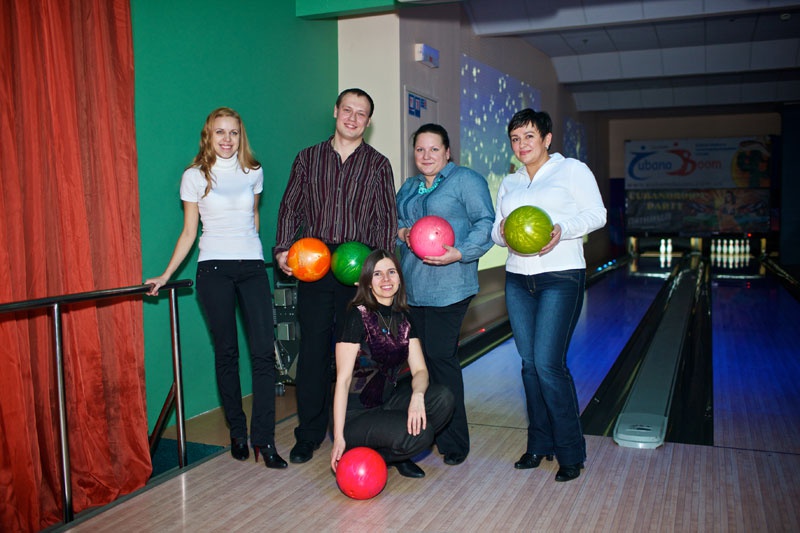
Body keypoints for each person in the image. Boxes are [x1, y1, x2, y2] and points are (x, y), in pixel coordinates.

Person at [145, 107, 287, 469]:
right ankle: (237, 432)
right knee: (226, 353)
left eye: (233, 132)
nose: (227, 139)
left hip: (252, 267)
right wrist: (165, 275)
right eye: (219, 132)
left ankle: (264, 440)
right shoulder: (194, 176)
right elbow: (189, 232)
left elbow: (253, 216)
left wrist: (250, 247)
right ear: (208, 135)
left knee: (262, 353)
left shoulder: (254, 171)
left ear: (241, 136)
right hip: (213, 269)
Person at [275, 88, 397, 464]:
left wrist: (378, 271)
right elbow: (290, 207)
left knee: (359, 355)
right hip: (314, 266)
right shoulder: (307, 157)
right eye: (348, 110)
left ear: (368, 122)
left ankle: (355, 432)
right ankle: (309, 434)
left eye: (361, 113)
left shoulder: (378, 164)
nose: (353, 118)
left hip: (357, 269)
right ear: (335, 111)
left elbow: (385, 218)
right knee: (313, 352)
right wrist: (282, 249)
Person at [492, 109, 606, 482]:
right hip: (518, 279)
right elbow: (496, 229)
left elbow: (597, 214)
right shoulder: (510, 182)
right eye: (515, 138)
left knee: (547, 364)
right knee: (529, 365)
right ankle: (539, 444)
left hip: (560, 276)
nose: (521, 144)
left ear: (546, 138)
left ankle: (571, 451)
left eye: (529, 136)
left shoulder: (571, 170)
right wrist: (502, 233)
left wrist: (562, 228)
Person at [395, 123, 495, 466]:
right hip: (413, 287)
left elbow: (486, 223)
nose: (426, 156)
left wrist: (461, 253)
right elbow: (394, 226)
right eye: (420, 149)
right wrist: (402, 232)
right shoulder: (409, 187)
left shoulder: (466, 180)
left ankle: (454, 440)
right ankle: (425, 431)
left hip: (451, 285)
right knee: (420, 363)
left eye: (434, 149)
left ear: (447, 152)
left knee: (440, 357)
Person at [330, 249, 454, 478]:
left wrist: (418, 396)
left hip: (386, 403)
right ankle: (377, 453)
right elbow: (343, 381)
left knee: (443, 398)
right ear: (367, 282)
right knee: (422, 434)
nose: (386, 279)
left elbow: (420, 370)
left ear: (399, 278)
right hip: (355, 416)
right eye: (377, 274)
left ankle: (399, 453)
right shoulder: (357, 316)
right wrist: (338, 436)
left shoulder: (404, 317)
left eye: (391, 272)